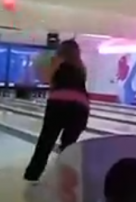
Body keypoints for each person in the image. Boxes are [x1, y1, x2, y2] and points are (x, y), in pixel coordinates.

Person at [24, 39, 90, 182]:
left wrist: (53, 65)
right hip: (81, 108)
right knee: (68, 145)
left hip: (58, 104)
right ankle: (66, 177)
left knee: (46, 142)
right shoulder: (81, 67)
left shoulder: (57, 62)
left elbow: (47, 80)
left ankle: (32, 175)